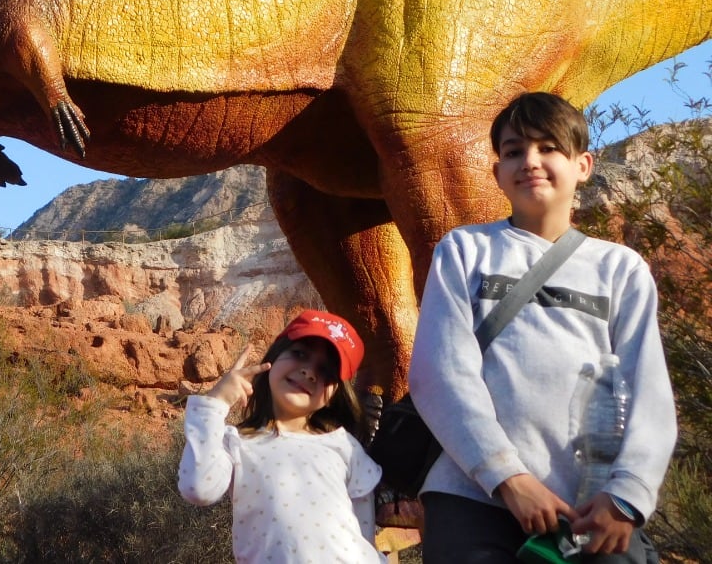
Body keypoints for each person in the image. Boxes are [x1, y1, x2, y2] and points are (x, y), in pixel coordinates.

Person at [409, 92, 677, 563]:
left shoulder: (620, 269)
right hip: (473, 494)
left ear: (584, 165)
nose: (530, 161)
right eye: (513, 151)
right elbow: (441, 373)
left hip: (592, 506)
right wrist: (508, 478)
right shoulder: (465, 250)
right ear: (497, 173)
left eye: (548, 147)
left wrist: (626, 495)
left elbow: (647, 390)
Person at [178, 309, 385, 563]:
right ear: (274, 357)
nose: (310, 372)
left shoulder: (343, 445)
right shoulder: (236, 442)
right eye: (299, 354)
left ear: (334, 394)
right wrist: (215, 402)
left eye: (326, 371)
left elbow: (364, 530)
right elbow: (199, 489)